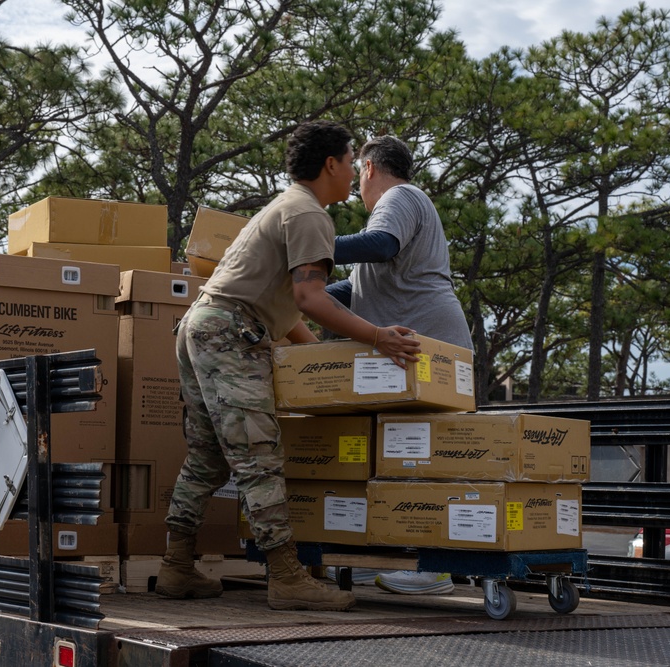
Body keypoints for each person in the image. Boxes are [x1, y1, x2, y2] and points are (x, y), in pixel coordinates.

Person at [155, 120, 422, 611]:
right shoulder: (309, 215)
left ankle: (175, 568)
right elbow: (310, 297)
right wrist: (377, 336)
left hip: (203, 327)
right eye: (348, 162)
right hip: (230, 335)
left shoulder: (285, 207)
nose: (353, 173)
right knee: (259, 457)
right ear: (330, 165)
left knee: (209, 458)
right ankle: (286, 576)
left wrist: (320, 365)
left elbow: (291, 312)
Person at [327, 135, 473, 596]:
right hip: (409, 355)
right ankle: (378, 560)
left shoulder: (399, 197)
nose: (355, 185)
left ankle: (437, 568)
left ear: (369, 168)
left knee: (427, 461)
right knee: (392, 462)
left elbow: (379, 244)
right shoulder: (403, 209)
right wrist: (287, 298)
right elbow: (350, 292)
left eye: (357, 174)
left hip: (429, 353)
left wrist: (310, 244)